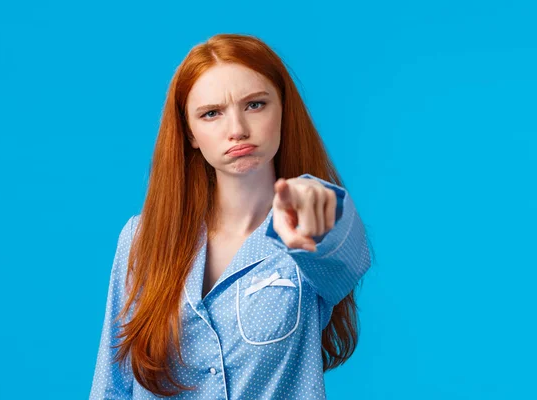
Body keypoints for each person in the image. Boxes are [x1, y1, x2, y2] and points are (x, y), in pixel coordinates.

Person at [89, 33, 373, 399]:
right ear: (190, 133)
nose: (237, 129)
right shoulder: (142, 238)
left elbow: (346, 249)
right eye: (211, 114)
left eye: (255, 105)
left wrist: (307, 206)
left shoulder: (308, 236)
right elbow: (112, 385)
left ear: (283, 109)